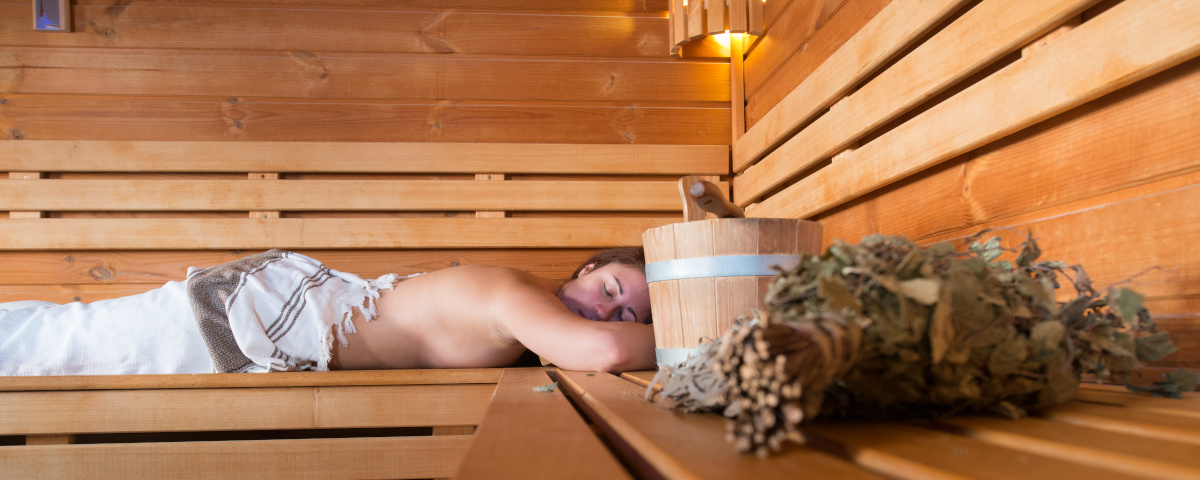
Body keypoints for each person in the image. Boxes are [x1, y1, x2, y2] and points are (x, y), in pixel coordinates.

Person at [0, 248, 654, 376]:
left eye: (628, 314)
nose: (607, 312)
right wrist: (693, 331)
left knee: (58, 337)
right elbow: (602, 352)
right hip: (254, 317)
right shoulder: (516, 296)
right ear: (588, 268)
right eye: (611, 289)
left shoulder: (528, 317)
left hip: (270, 311)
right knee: (53, 352)